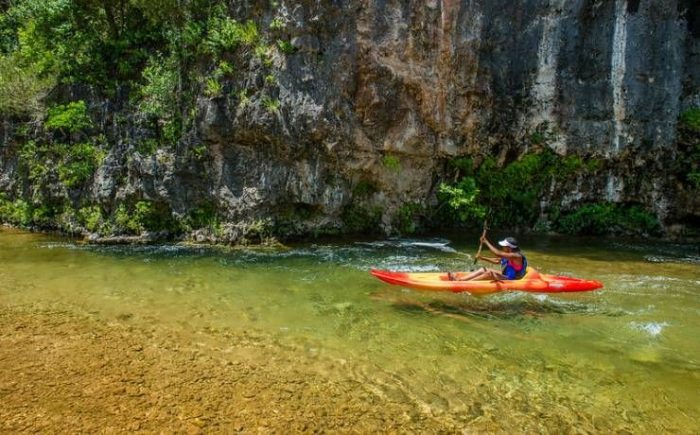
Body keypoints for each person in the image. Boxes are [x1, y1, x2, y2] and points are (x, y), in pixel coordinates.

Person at [448, 236, 528, 281]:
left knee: (489, 273)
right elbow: (497, 261)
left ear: (509, 247)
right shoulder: (509, 254)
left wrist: (486, 242)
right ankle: (461, 279)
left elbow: (497, 253)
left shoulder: (517, 256)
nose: (502, 247)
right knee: (484, 269)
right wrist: (482, 258)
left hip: (512, 280)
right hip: (506, 275)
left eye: (504, 246)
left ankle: (463, 283)